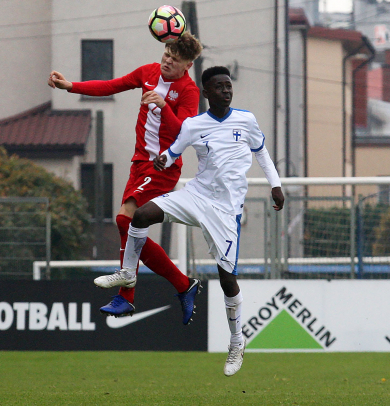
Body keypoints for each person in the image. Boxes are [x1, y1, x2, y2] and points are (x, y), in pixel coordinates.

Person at [94, 66, 284, 376]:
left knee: (227, 281)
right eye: (219, 87)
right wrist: (164, 160)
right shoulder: (194, 124)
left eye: (228, 85)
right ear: (206, 93)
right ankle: (128, 274)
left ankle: (237, 341)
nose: (226, 90)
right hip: (196, 196)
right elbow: (173, 153)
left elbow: (261, 153)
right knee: (139, 216)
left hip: (225, 212)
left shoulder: (246, 120)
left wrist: (275, 185)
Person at [48, 32, 203, 321]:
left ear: (187, 66)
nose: (168, 60)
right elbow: (112, 85)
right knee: (129, 226)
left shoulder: (189, 91)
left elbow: (185, 133)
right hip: (138, 164)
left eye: (175, 59)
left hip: (162, 166)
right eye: (167, 54)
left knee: (124, 219)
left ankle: (127, 296)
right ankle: (182, 284)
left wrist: (163, 105)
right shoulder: (148, 72)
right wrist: (71, 86)